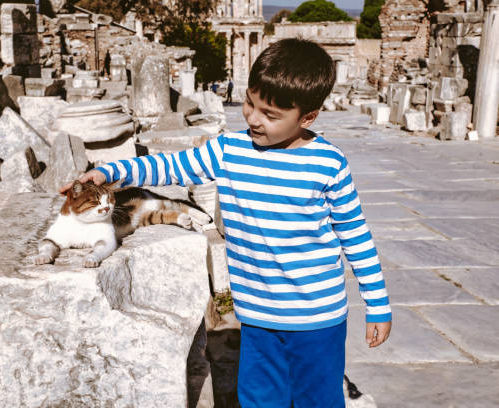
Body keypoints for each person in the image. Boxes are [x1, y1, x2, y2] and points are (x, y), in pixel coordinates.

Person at [61, 38, 391, 407]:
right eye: (250, 103)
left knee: (318, 400)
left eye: (270, 114)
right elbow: (169, 166)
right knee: (260, 398)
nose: (252, 117)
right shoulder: (229, 150)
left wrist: (377, 304)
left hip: (317, 318)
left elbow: (355, 235)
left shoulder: (329, 164)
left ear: (307, 118)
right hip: (256, 315)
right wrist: (111, 171)